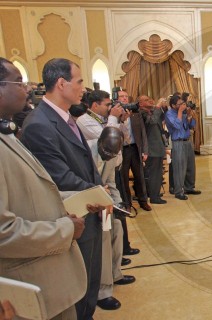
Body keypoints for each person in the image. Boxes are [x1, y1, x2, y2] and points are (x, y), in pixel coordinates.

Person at [0, 57, 87, 319]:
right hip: (28, 283)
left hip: (48, 279)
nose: (26, 88)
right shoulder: (37, 124)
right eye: (18, 81)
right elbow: (4, 232)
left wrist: (82, 197)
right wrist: (65, 228)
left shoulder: (8, 134)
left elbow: (34, 192)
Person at [20, 58, 103, 320]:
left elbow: (84, 162)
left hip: (89, 210)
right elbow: (61, 178)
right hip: (73, 216)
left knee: (90, 283)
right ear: (61, 83)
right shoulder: (39, 125)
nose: (83, 88)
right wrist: (99, 193)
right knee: (78, 289)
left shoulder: (65, 117)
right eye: (79, 82)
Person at [75, 90, 136, 311]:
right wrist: (103, 202)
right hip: (92, 206)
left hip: (108, 204)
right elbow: (88, 184)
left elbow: (111, 182)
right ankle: (103, 290)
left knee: (117, 229)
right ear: (100, 145)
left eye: (114, 153)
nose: (110, 155)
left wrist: (118, 204)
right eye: (108, 152)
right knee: (102, 242)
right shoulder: (88, 153)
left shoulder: (113, 155)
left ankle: (116, 272)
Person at [117, 90, 152, 212]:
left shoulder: (135, 113)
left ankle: (143, 201)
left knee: (140, 176)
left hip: (135, 148)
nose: (125, 99)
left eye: (126, 96)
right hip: (122, 150)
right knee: (123, 178)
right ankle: (127, 203)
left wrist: (145, 151)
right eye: (122, 96)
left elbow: (143, 132)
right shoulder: (114, 115)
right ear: (117, 99)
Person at [165, 94, 201, 200]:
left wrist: (190, 116)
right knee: (179, 167)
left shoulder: (184, 113)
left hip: (187, 141)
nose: (182, 106)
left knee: (190, 166)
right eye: (179, 104)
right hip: (178, 142)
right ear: (173, 105)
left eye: (183, 104)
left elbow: (190, 126)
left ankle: (189, 187)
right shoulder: (169, 114)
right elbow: (176, 126)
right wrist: (180, 112)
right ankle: (178, 191)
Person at [139, 95, 167, 204]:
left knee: (158, 173)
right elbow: (152, 121)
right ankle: (154, 197)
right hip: (151, 149)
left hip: (158, 147)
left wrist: (162, 108)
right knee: (154, 173)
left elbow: (161, 119)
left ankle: (155, 193)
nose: (150, 100)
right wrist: (157, 107)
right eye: (146, 100)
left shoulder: (152, 111)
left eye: (150, 98)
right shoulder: (142, 113)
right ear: (140, 104)